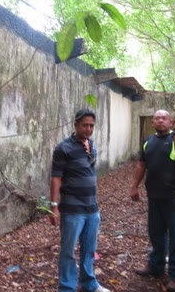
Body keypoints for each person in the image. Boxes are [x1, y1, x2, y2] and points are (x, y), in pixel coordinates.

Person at [130, 109, 175, 292]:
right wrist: (134, 186)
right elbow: (141, 165)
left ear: (170, 122)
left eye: (163, 118)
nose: (160, 120)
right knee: (156, 234)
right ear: (153, 122)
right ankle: (156, 266)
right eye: (157, 118)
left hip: (174, 198)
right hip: (154, 197)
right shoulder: (148, 142)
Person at [49, 109, 110, 292]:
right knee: (68, 251)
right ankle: (67, 287)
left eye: (91, 125)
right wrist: (53, 205)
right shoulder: (64, 148)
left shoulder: (91, 145)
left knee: (89, 249)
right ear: (76, 124)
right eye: (85, 125)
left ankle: (88, 283)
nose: (88, 129)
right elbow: (56, 178)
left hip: (92, 209)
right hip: (72, 210)